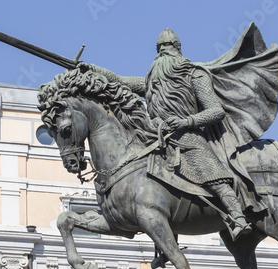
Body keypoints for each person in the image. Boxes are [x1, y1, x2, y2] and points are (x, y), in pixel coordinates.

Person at [80, 28, 258, 241]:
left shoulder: (195, 74)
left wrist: (186, 121)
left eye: (167, 47)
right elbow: (120, 80)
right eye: (159, 49)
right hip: (157, 139)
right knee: (148, 188)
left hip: (189, 136)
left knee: (210, 172)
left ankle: (237, 215)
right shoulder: (152, 82)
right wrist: (91, 70)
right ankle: (163, 241)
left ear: (177, 49)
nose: (163, 52)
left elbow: (216, 111)